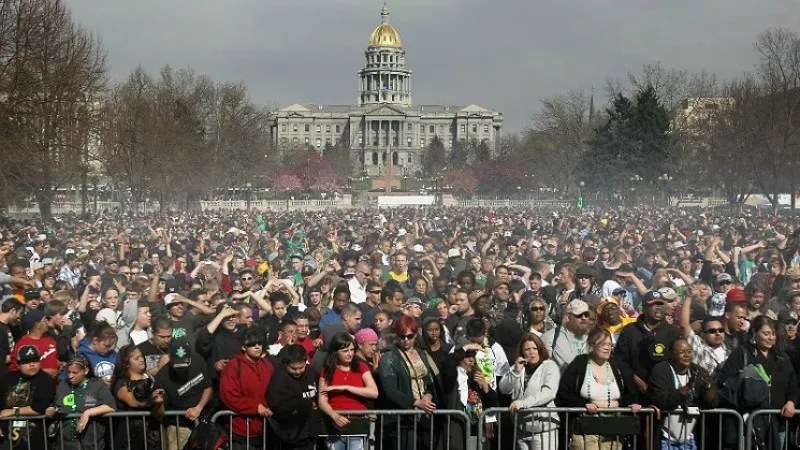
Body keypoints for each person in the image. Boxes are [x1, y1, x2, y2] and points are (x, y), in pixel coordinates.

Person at [717, 315, 798, 450]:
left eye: (773, 334)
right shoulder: (741, 354)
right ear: (754, 333)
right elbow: (725, 381)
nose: (771, 337)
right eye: (766, 333)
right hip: (749, 424)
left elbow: (793, 383)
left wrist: (791, 402)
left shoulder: (781, 357)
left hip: (778, 421)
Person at [556, 328, 642, 450]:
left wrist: (632, 404)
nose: (607, 348)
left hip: (613, 428)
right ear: (592, 345)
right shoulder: (579, 363)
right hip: (586, 429)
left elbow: (629, 392)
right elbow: (564, 394)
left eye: (609, 344)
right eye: (602, 344)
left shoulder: (618, 364)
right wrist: (584, 405)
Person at [376, 316, 439, 450]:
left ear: (416, 335)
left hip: (423, 417)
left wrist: (428, 396)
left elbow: (429, 381)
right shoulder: (389, 356)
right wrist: (416, 402)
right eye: (402, 336)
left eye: (410, 336)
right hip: (400, 419)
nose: (406, 340)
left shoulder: (421, 354)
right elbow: (390, 391)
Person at [648, 339, 717, 450]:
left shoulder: (698, 371)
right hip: (665, 439)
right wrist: (687, 387)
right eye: (681, 352)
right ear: (672, 354)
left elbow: (712, 403)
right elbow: (663, 401)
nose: (686, 355)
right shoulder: (661, 370)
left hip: (690, 439)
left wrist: (707, 387)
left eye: (689, 351)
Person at [499, 333, 561, 450]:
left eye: (534, 348)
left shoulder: (550, 366)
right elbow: (503, 388)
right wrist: (516, 372)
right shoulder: (518, 367)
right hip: (522, 429)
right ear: (522, 352)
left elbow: (548, 393)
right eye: (527, 349)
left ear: (540, 349)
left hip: (544, 430)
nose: (531, 352)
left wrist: (522, 403)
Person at [615, 291, 681, 400]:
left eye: (661, 304)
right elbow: (620, 360)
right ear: (644, 308)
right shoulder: (630, 330)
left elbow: (676, 362)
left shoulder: (673, 332)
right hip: (634, 395)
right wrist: (635, 379)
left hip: (664, 394)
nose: (658, 308)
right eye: (653, 304)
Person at [318, 333, 379, 450]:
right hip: (335, 424)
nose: (350, 354)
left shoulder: (361, 366)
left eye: (352, 350)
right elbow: (322, 400)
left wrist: (346, 387)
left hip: (358, 423)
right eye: (345, 351)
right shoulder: (327, 370)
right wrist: (334, 415)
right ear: (335, 352)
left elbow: (374, 392)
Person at [219, 327, 275, 450]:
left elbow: (275, 391)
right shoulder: (233, 366)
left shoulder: (267, 365)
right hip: (240, 431)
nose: (257, 347)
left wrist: (273, 406)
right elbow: (229, 396)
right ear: (244, 347)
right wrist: (255, 407)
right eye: (252, 344)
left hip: (264, 429)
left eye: (260, 343)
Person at [153, 339, 213, 450]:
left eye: (185, 364)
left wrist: (199, 407)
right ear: (170, 358)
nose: (181, 368)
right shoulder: (162, 376)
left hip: (202, 422)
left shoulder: (198, 361)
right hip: (178, 426)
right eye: (177, 365)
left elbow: (208, 387)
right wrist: (158, 403)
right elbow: (159, 414)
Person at [53, 353, 117, 450]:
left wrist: (88, 412)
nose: (70, 376)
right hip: (65, 443)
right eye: (69, 372)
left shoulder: (97, 384)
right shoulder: (63, 385)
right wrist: (51, 410)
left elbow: (111, 407)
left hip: (90, 443)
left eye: (75, 373)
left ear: (86, 370)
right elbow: (57, 406)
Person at [0, 345, 55, 450]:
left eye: (35, 360)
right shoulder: (7, 378)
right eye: (27, 361)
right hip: (7, 438)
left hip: (35, 439)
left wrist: (11, 412)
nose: (32, 364)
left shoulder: (45, 379)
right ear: (18, 364)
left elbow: (38, 408)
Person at [110, 344, 164, 450]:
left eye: (141, 356)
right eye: (136, 358)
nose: (141, 360)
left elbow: (156, 410)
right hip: (130, 437)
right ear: (126, 364)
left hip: (151, 434)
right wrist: (150, 400)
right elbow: (133, 402)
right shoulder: (122, 383)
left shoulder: (150, 379)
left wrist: (158, 402)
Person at [267, 344, 319, 450]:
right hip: (289, 433)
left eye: (301, 367)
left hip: (309, 430)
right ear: (286, 364)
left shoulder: (311, 371)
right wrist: (305, 404)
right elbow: (276, 403)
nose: (298, 371)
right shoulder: (280, 376)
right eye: (293, 368)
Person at [542, 300, 591, 372]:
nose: (583, 318)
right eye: (579, 315)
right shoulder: (551, 337)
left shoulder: (594, 338)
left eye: (586, 315)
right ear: (568, 317)